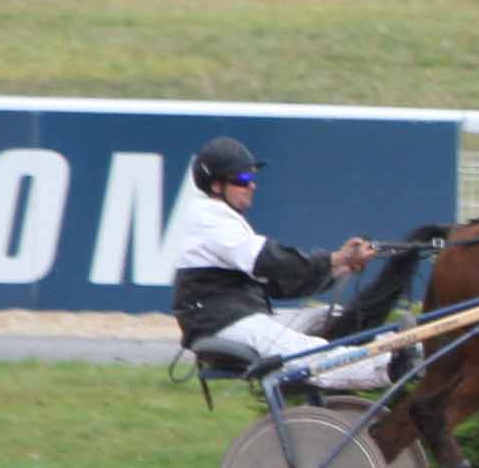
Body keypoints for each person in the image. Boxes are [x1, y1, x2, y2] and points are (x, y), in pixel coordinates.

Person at [165, 135, 397, 390]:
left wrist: (339, 267)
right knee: (310, 352)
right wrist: (333, 258)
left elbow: (277, 285)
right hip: (223, 325)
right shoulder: (209, 219)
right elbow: (271, 260)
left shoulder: (225, 220)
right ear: (217, 186)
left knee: (331, 319)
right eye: (242, 180)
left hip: (239, 316)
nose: (251, 185)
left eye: (252, 178)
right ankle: (391, 366)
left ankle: (397, 345)